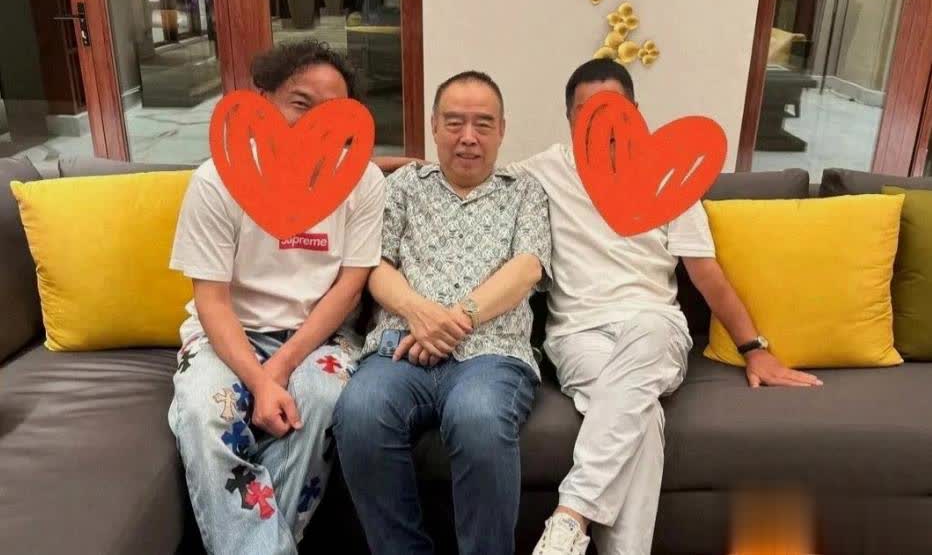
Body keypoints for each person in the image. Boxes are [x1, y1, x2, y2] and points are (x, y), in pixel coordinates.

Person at [507, 59, 823, 555]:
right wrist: (390, 167)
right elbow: (466, 173)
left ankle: (570, 518)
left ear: (636, 114)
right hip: (578, 335)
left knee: (650, 331)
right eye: (587, 113)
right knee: (642, 418)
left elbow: (706, 274)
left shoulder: (669, 176)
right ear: (569, 120)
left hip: (655, 329)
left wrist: (754, 348)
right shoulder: (542, 173)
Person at [167, 40, 386, 554]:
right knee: (203, 411)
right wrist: (258, 380)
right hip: (227, 335)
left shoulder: (364, 181)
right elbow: (212, 301)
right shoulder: (217, 180)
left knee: (321, 401)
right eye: (300, 103)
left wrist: (281, 369)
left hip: (318, 338)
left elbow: (349, 287)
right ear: (263, 101)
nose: (315, 125)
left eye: (333, 114)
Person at [332, 71, 552, 555]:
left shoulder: (525, 191)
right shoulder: (404, 186)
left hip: (492, 354)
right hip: (399, 349)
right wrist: (418, 313)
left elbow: (527, 268)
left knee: (478, 418)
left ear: (502, 130)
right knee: (360, 412)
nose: (468, 137)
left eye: (482, 124)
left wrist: (455, 320)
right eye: (454, 122)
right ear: (433, 126)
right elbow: (376, 266)